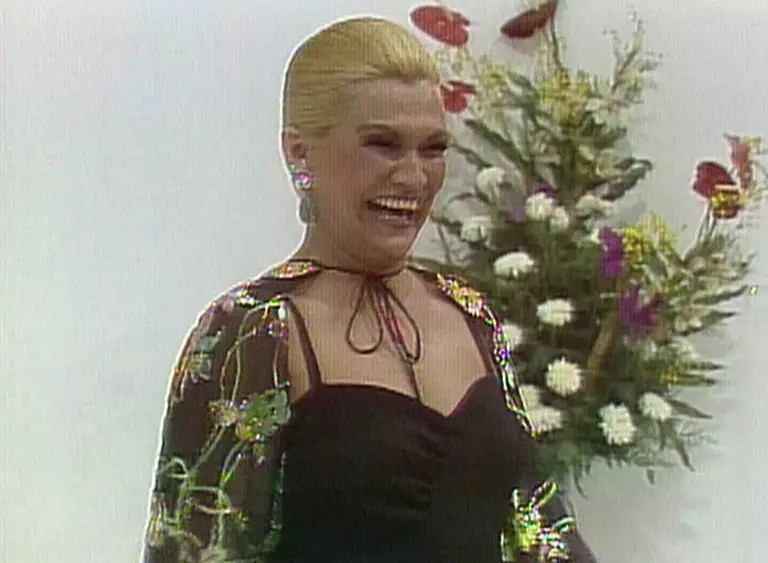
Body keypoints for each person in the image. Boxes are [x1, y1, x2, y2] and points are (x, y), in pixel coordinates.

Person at [141, 15, 597, 563]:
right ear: (300, 152)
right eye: (383, 145)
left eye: (433, 149)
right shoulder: (252, 329)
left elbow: (538, 528)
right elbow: (196, 545)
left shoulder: (468, 311)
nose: (414, 176)